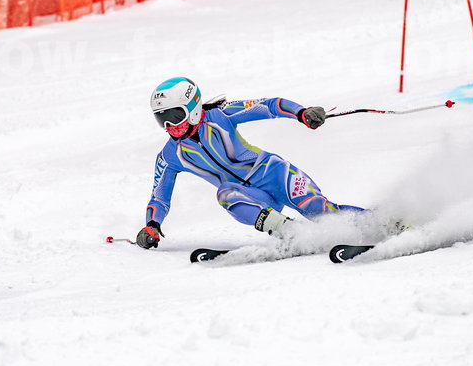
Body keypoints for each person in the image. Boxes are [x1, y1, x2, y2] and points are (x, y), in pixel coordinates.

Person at [135, 77, 366, 249]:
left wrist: (301, 113)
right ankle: (290, 231)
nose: (170, 126)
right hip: (252, 197)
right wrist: (152, 225)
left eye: (175, 116)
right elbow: (159, 197)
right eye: (161, 120)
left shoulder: (220, 115)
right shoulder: (170, 155)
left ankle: (382, 223)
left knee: (319, 211)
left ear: (193, 108)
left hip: (275, 175)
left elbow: (270, 105)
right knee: (225, 194)